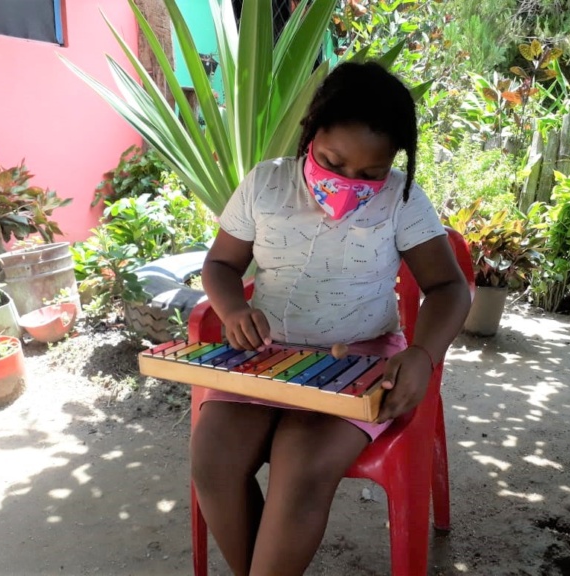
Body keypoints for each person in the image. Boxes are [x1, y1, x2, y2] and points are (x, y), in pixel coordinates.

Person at [190, 60, 471, 576]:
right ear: (310, 131)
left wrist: (423, 354)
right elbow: (221, 265)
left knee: (300, 473)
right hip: (263, 354)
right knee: (213, 464)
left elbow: (450, 287)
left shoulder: (401, 200)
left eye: (370, 173)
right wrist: (232, 309)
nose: (348, 183)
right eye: (332, 161)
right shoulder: (265, 186)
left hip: (359, 362)